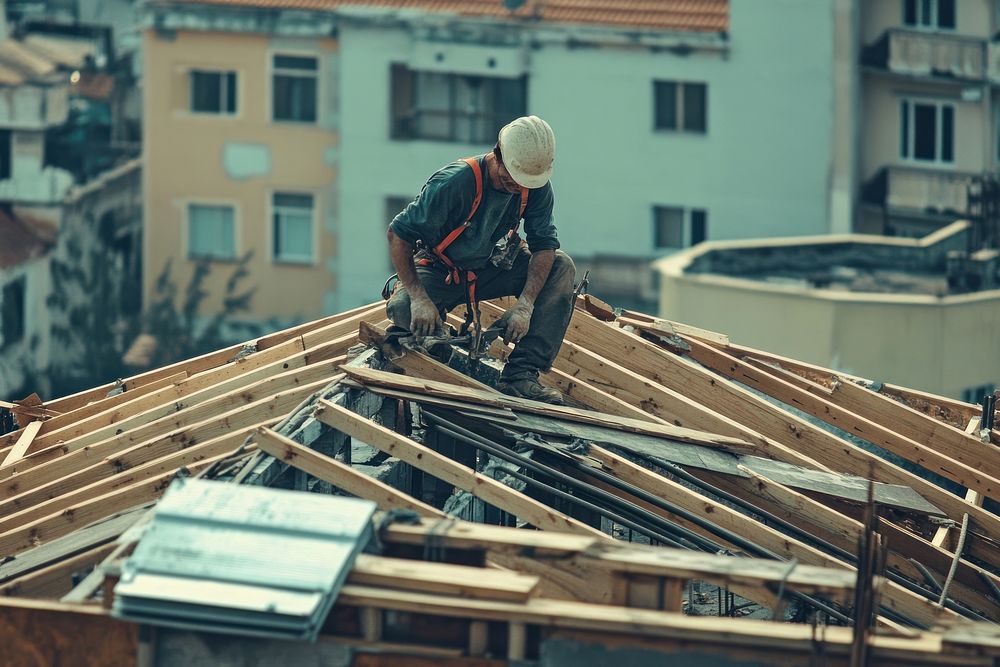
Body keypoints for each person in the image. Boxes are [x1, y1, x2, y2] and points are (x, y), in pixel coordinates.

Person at [385, 115, 575, 405]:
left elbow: (544, 245)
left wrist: (525, 305)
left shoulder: (535, 185)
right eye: (509, 176)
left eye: (522, 181)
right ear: (497, 153)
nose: (515, 185)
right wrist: (419, 297)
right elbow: (399, 235)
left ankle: (521, 375)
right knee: (403, 308)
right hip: (441, 270)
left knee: (561, 267)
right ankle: (435, 345)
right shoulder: (454, 182)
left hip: (493, 266)